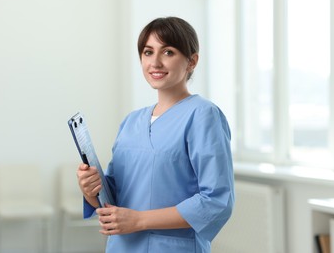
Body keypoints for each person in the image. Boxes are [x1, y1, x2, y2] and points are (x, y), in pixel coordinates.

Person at [77, 16, 234, 253]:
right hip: (122, 247)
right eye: (148, 52)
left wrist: (139, 220)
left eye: (168, 52)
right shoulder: (131, 122)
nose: (156, 62)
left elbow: (216, 201)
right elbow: (114, 197)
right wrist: (91, 190)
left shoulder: (203, 115)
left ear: (192, 61)